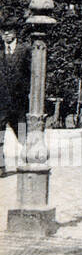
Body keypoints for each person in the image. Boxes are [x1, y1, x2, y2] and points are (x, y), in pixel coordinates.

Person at [0, 21, 31, 173]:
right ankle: (0, 167)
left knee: (23, 132)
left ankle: (28, 160)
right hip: (1, 102)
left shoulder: (25, 50)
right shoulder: (0, 52)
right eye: (3, 31)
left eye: (9, 30)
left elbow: (32, 73)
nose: (6, 34)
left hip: (19, 101)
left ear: (15, 32)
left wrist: (27, 91)